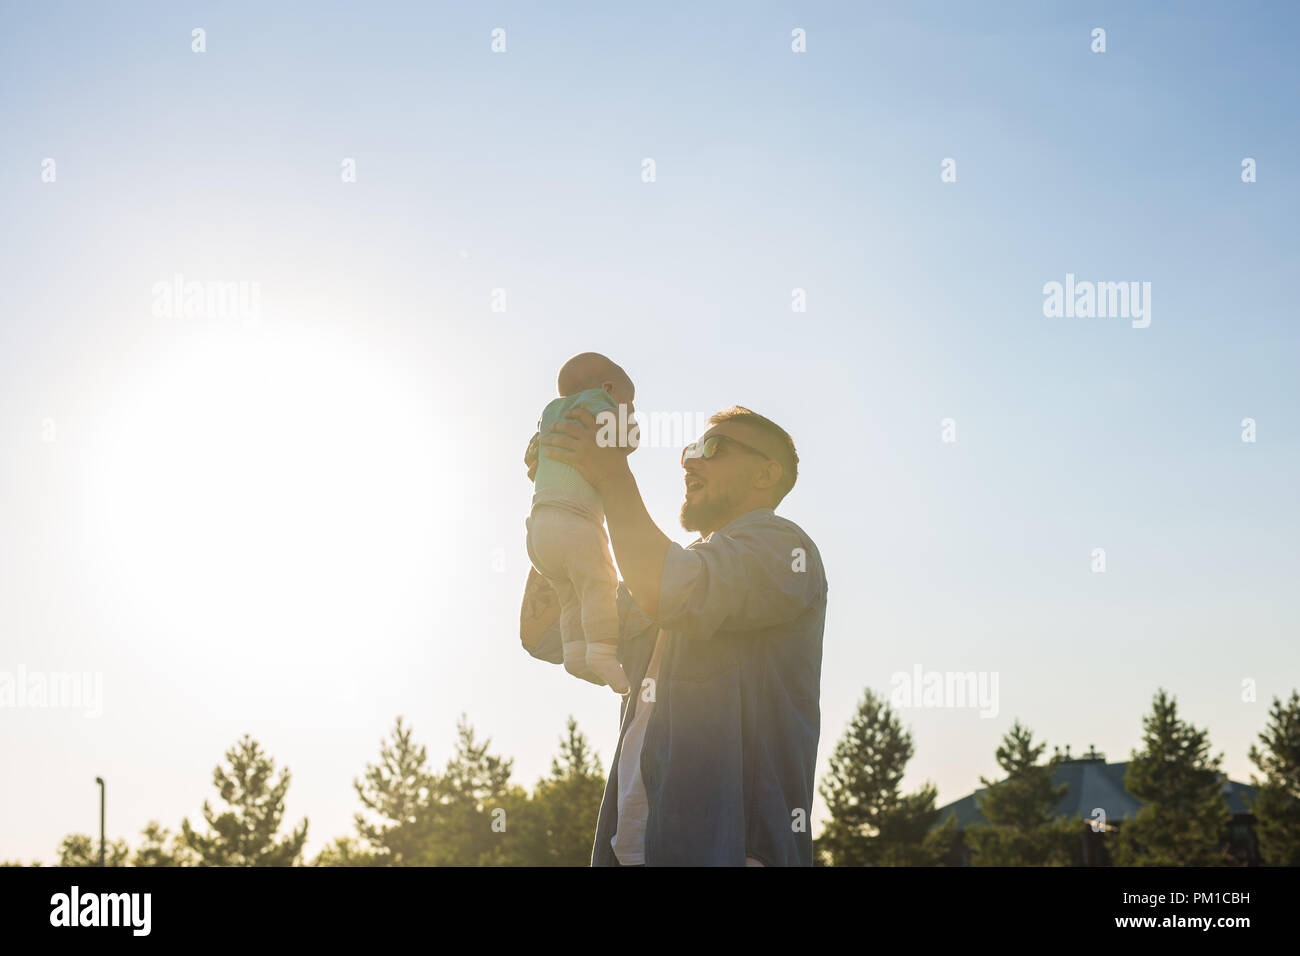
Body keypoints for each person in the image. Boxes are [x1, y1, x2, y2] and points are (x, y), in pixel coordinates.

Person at [520, 405, 827, 866]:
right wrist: (566, 500)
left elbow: (673, 590)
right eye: (690, 448)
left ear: (766, 473)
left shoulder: (785, 549)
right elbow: (544, 634)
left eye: (713, 448)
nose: (689, 460)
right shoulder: (673, 568)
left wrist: (609, 472)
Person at [524, 352, 639, 693]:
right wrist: (627, 436)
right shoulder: (599, 405)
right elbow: (626, 441)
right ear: (607, 388)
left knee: (572, 595)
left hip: (538, 530)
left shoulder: (548, 417)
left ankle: (575, 651)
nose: (630, 412)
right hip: (575, 522)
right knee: (600, 582)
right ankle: (602, 652)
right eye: (629, 404)